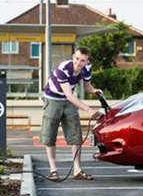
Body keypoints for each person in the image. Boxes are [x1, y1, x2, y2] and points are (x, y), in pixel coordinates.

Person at [40, 47, 102, 181]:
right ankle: (53, 170)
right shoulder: (63, 68)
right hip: (53, 99)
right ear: (73, 56)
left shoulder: (87, 68)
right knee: (49, 135)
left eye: (82, 60)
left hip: (68, 100)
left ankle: (77, 170)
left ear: (87, 61)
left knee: (76, 135)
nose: (79, 63)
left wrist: (95, 90)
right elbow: (69, 95)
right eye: (77, 58)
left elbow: (87, 86)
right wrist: (89, 110)